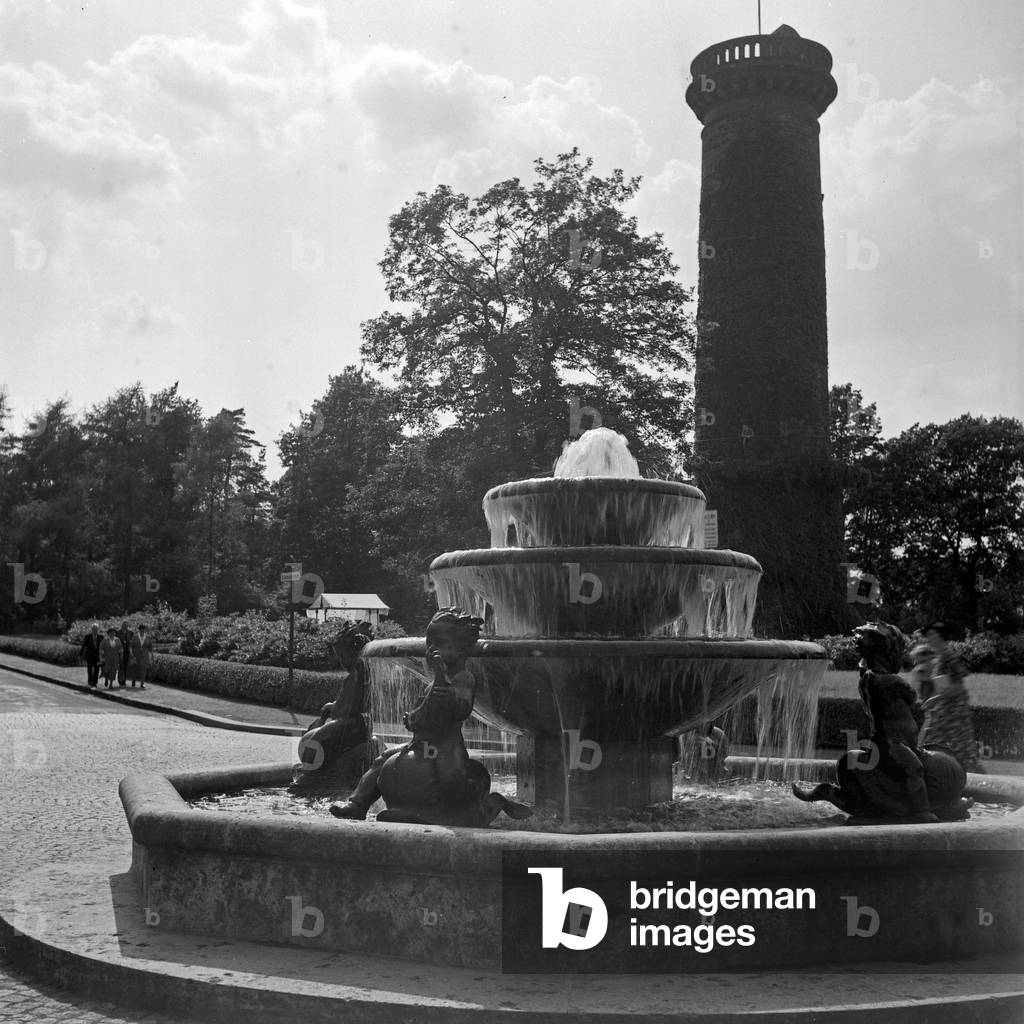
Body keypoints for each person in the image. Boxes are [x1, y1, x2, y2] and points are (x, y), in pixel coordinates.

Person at [919, 621, 983, 772]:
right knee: (932, 748)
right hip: (944, 716)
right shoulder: (939, 659)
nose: (927, 639)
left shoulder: (949, 657)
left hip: (955, 717)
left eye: (931, 635)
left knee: (964, 755)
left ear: (941, 636)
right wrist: (932, 700)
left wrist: (934, 699)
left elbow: (958, 686)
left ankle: (985, 786)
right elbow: (942, 686)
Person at [79, 623, 103, 689]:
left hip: (97, 656)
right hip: (89, 655)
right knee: (89, 668)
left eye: (96, 629)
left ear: (98, 630)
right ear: (92, 629)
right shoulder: (87, 637)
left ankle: (95, 682)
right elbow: (84, 645)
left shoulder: (101, 637)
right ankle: (90, 681)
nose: (95, 630)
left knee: (97, 669)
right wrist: (81, 653)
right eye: (94, 629)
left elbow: (103, 647)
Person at [130, 624, 153, 689]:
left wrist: (151, 655)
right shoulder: (135, 637)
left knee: (144, 669)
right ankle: (133, 681)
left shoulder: (148, 637)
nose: (142, 630)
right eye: (141, 629)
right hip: (136, 655)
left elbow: (150, 647)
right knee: (135, 669)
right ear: (139, 630)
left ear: (145, 630)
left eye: (143, 629)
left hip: (144, 656)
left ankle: (142, 683)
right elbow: (131, 646)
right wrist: (131, 653)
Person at [117, 620, 133, 689]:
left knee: (126, 667)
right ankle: (120, 680)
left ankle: (124, 680)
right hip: (120, 652)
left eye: (126, 625)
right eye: (124, 625)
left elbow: (131, 643)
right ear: (122, 626)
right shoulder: (117, 633)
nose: (125, 626)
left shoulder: (130, 633)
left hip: (127, 652)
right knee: (121, 666)